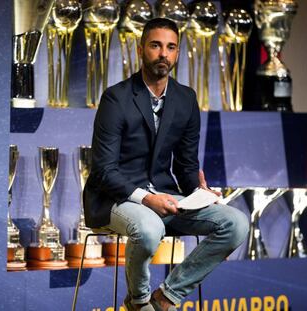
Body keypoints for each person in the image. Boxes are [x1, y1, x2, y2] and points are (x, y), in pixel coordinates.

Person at [84, 18, 249, 311]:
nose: (164, 54)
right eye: (156, 45)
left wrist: (201, 194)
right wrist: (147, 198)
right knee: (148, 228)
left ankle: (165, 297)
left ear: (177, 53)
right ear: (141, 49)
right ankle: (138, 302)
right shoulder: (116, 98)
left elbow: (186, 166)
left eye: (171, 47)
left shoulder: (185, 99)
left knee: (234, 223)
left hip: (166, 195)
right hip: (115, 198)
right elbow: (103, 171)